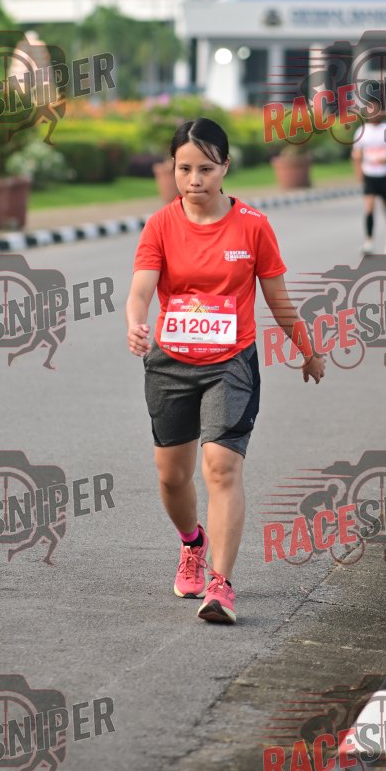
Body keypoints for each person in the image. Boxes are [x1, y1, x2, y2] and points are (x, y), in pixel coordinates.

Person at [126, 118, 325, 625]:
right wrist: (136, 322)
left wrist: (308, 350)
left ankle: (221, 585)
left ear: (226, 168)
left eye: (206, 169)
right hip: (170, 364)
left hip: (231, 362)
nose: (194, 180)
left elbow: (278, 300)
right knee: (172, 476)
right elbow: (141, 288)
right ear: (172, 169)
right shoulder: (160, 225)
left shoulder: (253, 225)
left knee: (220, 466)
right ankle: (192, 543)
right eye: (184, 169)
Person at [351, 115, 386, 254]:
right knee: (369, 207)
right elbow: (356, 154)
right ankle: (369, 241)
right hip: (369, 174)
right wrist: (359, 173)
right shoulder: (362, 131)